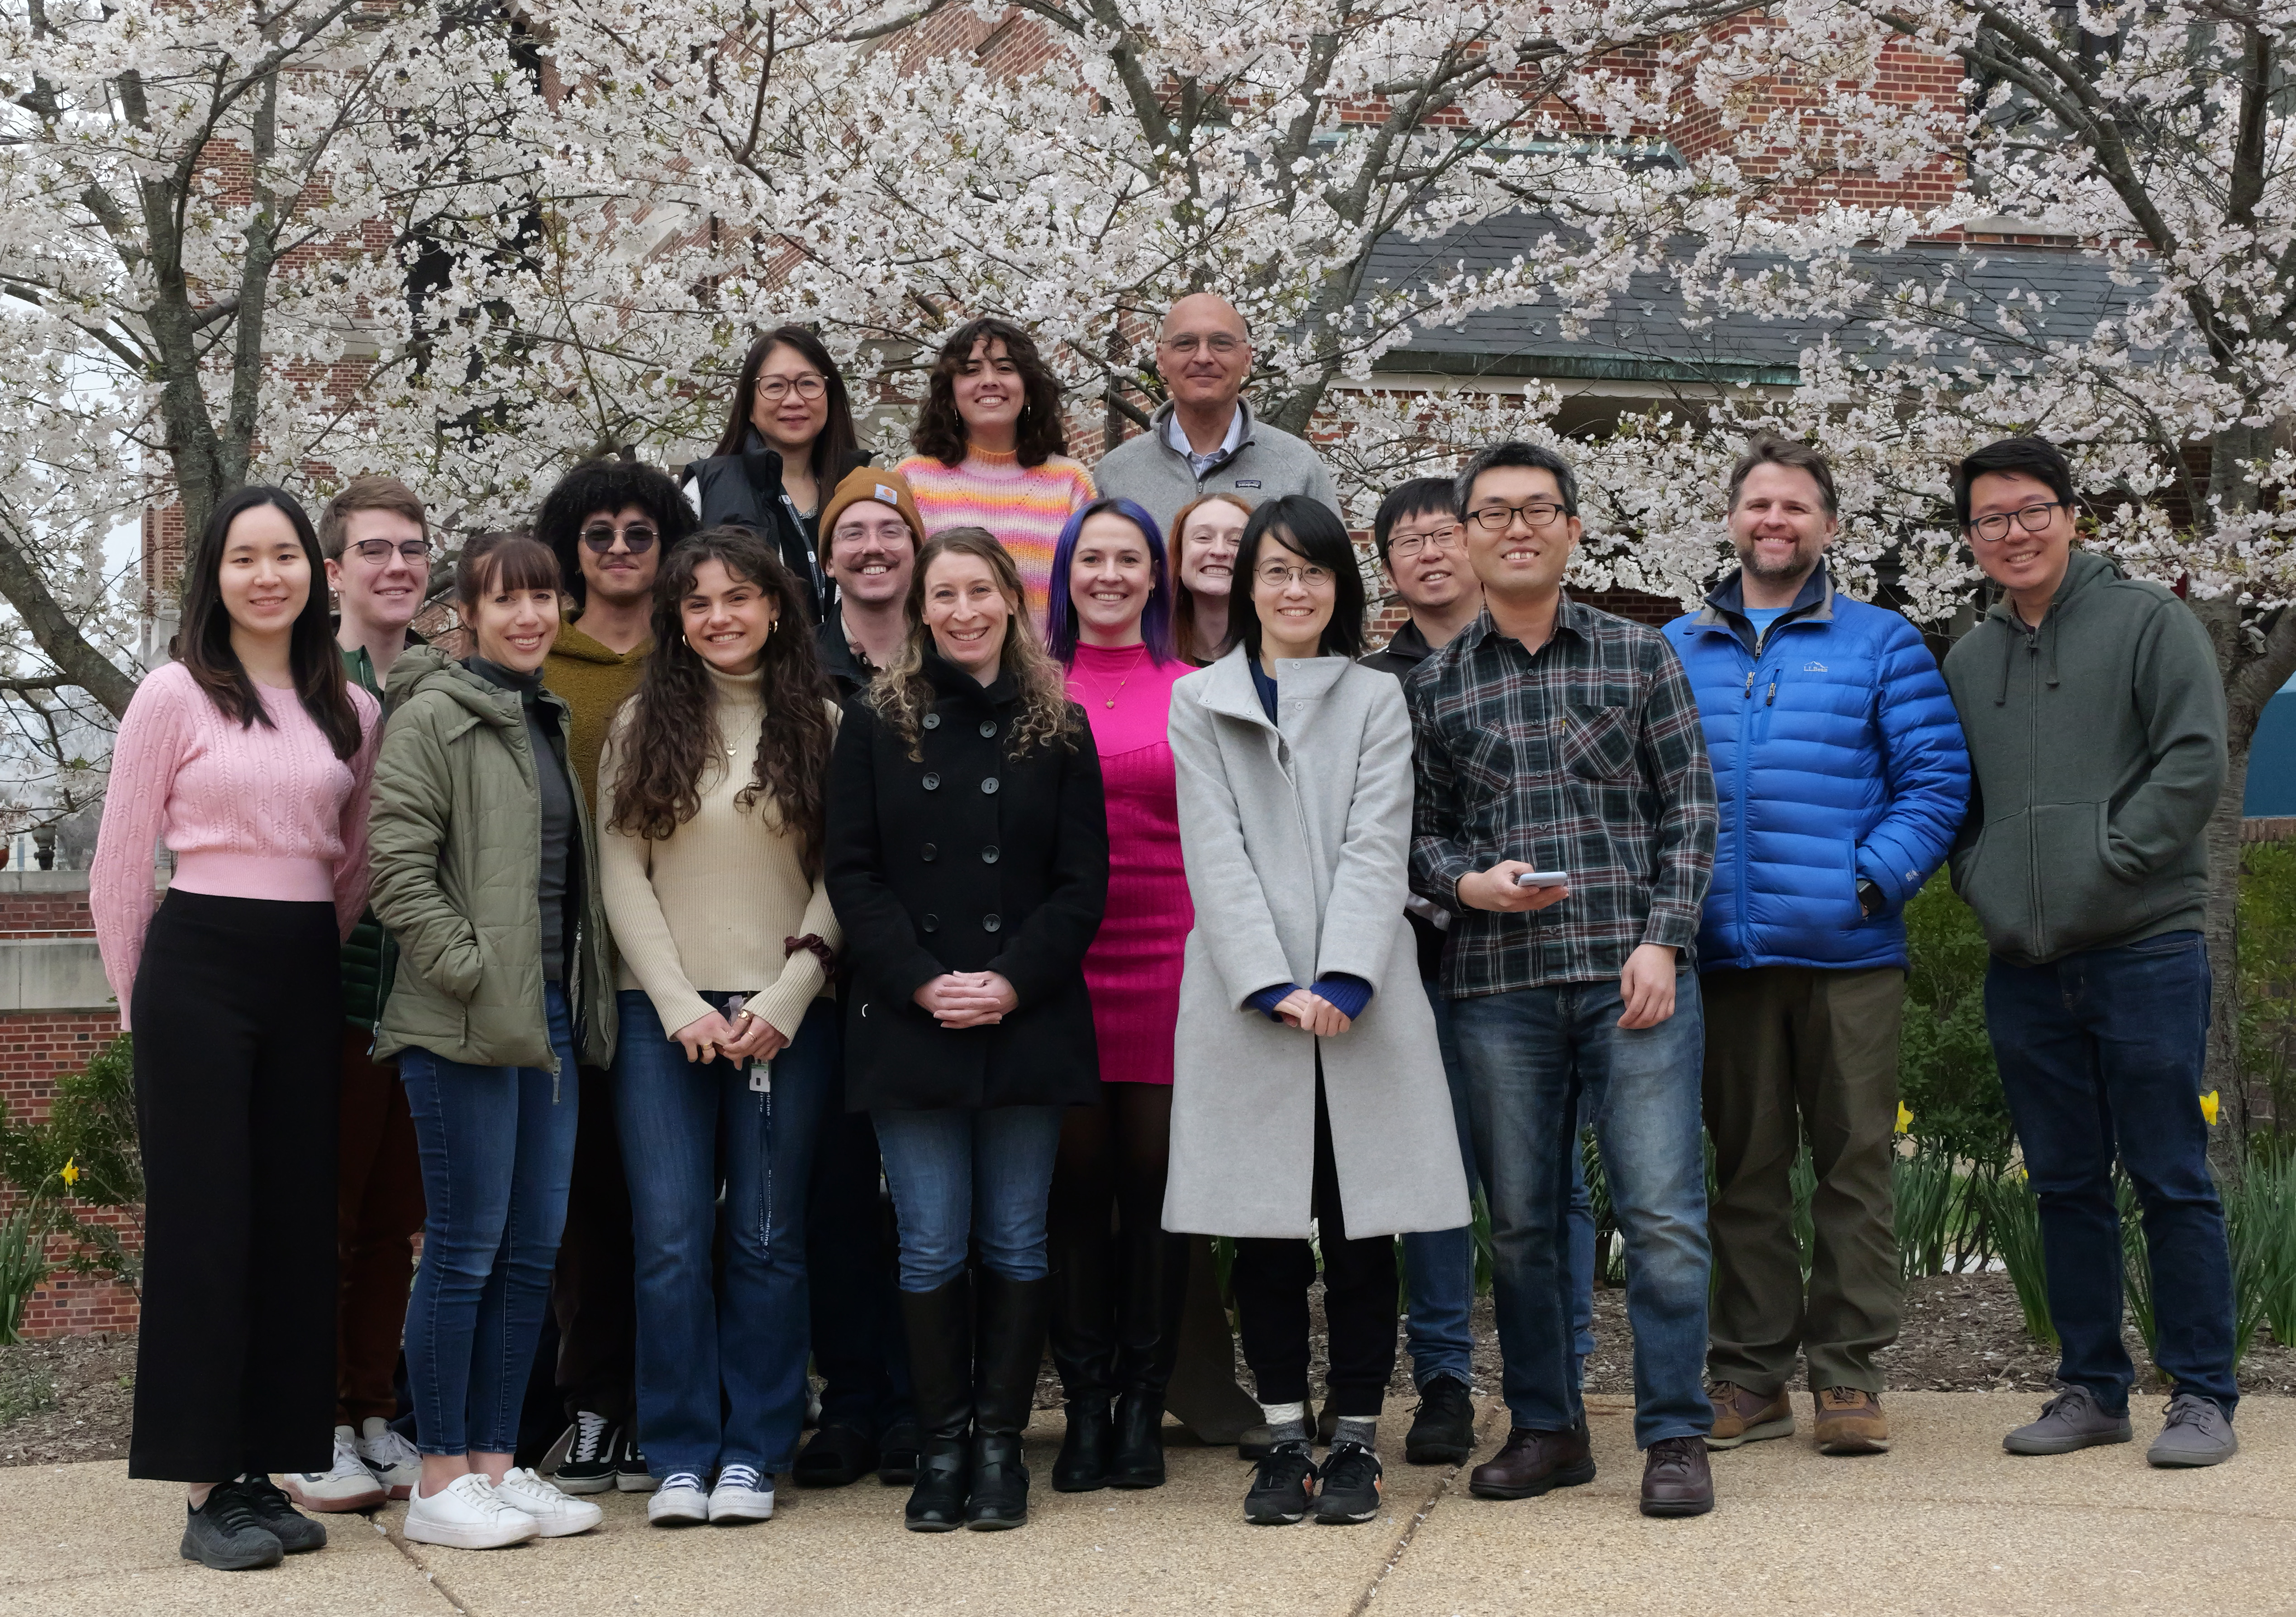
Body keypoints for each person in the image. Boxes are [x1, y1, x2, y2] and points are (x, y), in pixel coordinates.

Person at [1407, 442, 1721, 1519]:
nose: (1514, 527)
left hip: (1628, 980)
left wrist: (1662, 938)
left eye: (1535, 508)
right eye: (1490, 512)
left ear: (1571, 529)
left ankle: (1675, 1432)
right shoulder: (1435, 683)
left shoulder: (1639, 659)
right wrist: (1465, 883)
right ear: (1465, 536)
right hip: (1497, 986)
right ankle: (1547, 1427)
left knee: (1662, 1211)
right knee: (1525, 1223)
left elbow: (1688, 806)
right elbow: (1419, 834)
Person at [1163, 495, 1470, 1528]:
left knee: (1356, 1230)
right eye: (1274, 572)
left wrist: (1341, 977)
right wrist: (1266, 982)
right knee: (1260, 1233)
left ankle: (1351, 1442)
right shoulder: (1196, 700)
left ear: (1338, 586)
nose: (1293, 591)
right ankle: (1280, 1434)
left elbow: (1376, 840)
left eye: (1313, 572)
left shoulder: (1373, 698)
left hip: (1361, 1001)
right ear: (1244, 586)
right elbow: (1215, 853)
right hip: (1244, 1003)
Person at [91, 485, 381, 1571]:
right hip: (198, 970)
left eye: (287, 556)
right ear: (214, 576)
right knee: (210, 1226)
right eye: (244, 557)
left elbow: (346, 866)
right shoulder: (173, 693)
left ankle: (267, 1464)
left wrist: (305, 952)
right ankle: (209, 1484)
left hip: (303, 967)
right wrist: (139, 1005)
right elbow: (121, 866)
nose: (268, 575)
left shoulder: (351, 709)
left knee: (295, 1224)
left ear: (318, 573)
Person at [1667, 438, 1968, 1457]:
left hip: (1848, 956)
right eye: (1757, 504)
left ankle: (1848, 1374)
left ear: (1827, 527)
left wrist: (1865, 878)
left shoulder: (1883, 644)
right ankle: (1749, 1378)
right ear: (1730, 518)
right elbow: (1648, 791)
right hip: (1723, 955)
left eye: (1795, 507)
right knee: (1742, 1168)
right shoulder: (1675, 647)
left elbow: (1936, 783)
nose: (1774, 521)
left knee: (1854, 1167)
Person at [1940, 435, 2237, 1468]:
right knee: (2060, 1182)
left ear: (2068, 513)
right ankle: (2089, 1388)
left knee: (2167, 1172)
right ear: (1970, 538)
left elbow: (2191, 761)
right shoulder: (1967, 657)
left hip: (2141, 946)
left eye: (2029, 511)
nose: (2011, 534)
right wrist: (1978, 878)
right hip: (2022, 964)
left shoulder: (2147, 623)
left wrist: (2104, 860)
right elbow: (1961, 802)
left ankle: (2199, 1393)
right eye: (1989, 520)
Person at [825, 529, 1109, 1531]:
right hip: (913, 1020)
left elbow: (1081, 888)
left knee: (1015, 1237)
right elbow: (850, 873)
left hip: (1023, 1019)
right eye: (942, 593)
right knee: (930, 1240)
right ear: (921, 608)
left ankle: (1000, 1449)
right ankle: (939, 1448)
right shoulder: (872, 724)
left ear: (1009, 601)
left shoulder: (1059, 726)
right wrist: (921, 979)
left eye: (978, 591)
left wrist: (1008, 980)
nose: (960, 610)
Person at [369, 531, 617, 1549]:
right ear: (464, 612)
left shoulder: (540, 716)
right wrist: (473, 970)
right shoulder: (432, 714)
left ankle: (495, 1465)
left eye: (543, 598)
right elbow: (396, 867)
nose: (527, 616)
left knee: (528, 1253)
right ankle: (437, 1477)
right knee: (465, 1251)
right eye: (504, 599)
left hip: (546, 1021)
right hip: (464, 1021)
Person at [600, 527, 844, 1526]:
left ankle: (753, 1450)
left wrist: (785, 997)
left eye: (739, 597)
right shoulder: (637, 723)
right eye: (698, 603)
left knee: (765, 1239)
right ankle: (679, 1453)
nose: (720, 616)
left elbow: (845, 876)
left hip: (789, 1019)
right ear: (676, 621)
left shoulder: (824, 724)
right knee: (666, 1239)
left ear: (777, 607)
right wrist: (678, 1003)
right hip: (663, 1015)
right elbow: (622, 872)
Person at [534, 456, 693, 1493]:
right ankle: (594, 1402)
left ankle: (673, 1400)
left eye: (642, 532)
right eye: (601, 534)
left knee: (675, 1202)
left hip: (694, 962)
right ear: (571, 547)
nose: (623, 550)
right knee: (587, 1195)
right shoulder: (538, 658)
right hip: (570, 960)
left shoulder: (701, 653)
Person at [281, 477, 433, 1514]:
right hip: (321, 989)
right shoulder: (299, 687)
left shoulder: (441, 681)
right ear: (332, 571)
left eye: (411, 548)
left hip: (420, 995)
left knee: (392, 1220)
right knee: (322, 1217)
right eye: (373, 550)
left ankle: (375, 1411)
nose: (396, 566)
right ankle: (314, 1421)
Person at [1359, 476, 1518, 1466]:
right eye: (1404, 542)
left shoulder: (1529, 654)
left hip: (1525, 957)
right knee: (1428, 1181)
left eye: (1441, 533)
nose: (1427, 552)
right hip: (1413, 961)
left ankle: (1556, 1373)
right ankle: (1445, 1381)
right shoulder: (1372, 680)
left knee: (1536, 1183)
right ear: (1384, 568)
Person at [1039, 497, 1196, 1492]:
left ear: (1153, 578)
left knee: (1157, 1195)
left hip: (1171, 956)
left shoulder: (1194, 688)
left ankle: (1144, 1399)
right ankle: (1083, 1403)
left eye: (1126, 559)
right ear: (1065, 576)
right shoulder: (1030, 690)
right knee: (1071, 1195)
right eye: (1089, 558)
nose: (1107, 574)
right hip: (1060, 969)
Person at [793, 466, 930, 1489]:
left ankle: (921, 1403)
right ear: (828, 554)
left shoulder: (954, 657)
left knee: (923, 1202)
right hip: (827, 970)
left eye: (891, 530)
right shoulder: (800, 668)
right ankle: (850, 1400)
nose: (873, 547)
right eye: (854, 533)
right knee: (838, 1193)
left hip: (933, 974)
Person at [1090, 293, 1341, 538]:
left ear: (1247, 359)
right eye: (1185, 343)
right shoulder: (1115, 474)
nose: (1203, 358)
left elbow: (1333, 575)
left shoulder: (1299, 467)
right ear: (1161, 360)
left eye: (1221, 343)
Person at [896, 317, 1096, 623]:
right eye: (971, 370)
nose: (989, 380)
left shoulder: (1071, 483)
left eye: (1005, 368)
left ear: (1028, 390)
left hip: (1052, 670)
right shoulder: (911, 480)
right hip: (937, 670)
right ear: (950, 394)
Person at [682, 325, 872, 624]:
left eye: (809, 384)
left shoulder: (861, 487)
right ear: (750, 406)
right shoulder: (707, 489)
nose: (794, 400)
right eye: (775, 386)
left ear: (829, 397)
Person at [1167, 492, 1250, 665]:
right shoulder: (1151, 653)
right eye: (1203, 538)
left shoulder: (1277, 660)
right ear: (1179, 558)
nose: (1220, 551)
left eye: (1236, 541)